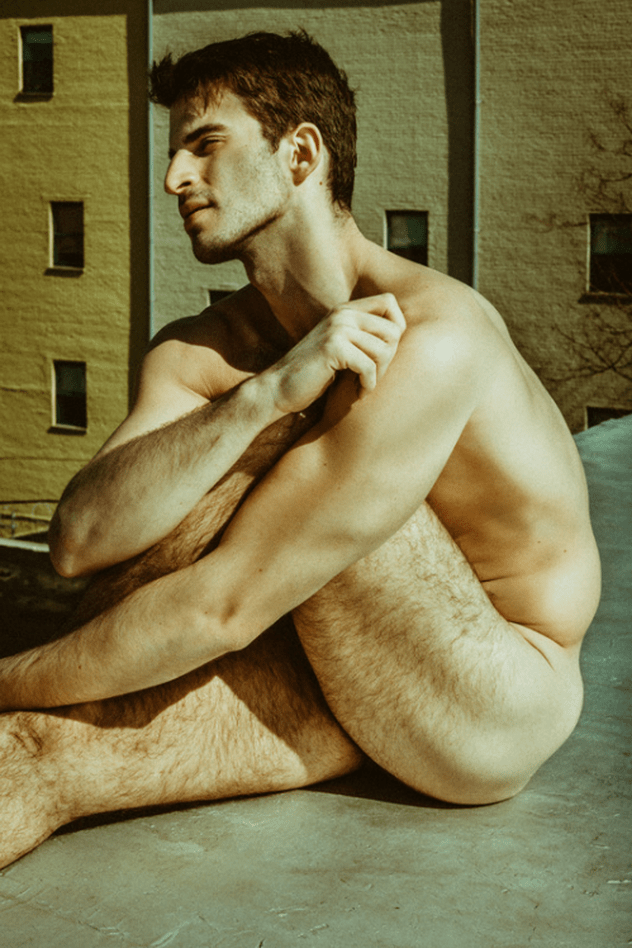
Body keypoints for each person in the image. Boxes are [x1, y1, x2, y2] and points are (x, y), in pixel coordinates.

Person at [0, 30, 600, 869]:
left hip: (485, 692)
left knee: (305, 444)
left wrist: (8, 677)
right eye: (173, 155)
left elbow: (224, 606)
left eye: (205, 145)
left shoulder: (434, 335)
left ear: (301, 154)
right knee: (36, 753)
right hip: (323, 659)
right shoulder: (205, 349)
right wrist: (262, 394)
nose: (175, 179)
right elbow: (81, 540)